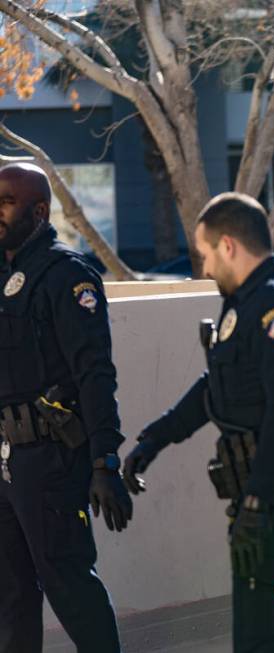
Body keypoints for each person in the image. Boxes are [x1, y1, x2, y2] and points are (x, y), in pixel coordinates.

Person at [122, 193, 274, 652]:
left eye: (205, 255)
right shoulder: (248, 302)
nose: (204, 268)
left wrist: (257, 503)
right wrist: (155, 439)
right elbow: (219, 386)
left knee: (266, 633)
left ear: (228, 246)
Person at [0, 163, 130, 653]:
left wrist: (105, 462)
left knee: (69, 585)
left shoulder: (67, 275)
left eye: (7, 201)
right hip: (6, 461)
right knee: (10, 595)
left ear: (39, 210)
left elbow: (95, 374)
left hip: (51, 460)